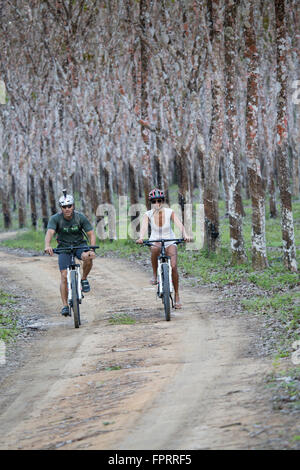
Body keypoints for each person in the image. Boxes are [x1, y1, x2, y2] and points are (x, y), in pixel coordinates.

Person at [136, 188, 191, 309]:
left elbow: (178, 223)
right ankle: (155, 274)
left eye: (159, 201)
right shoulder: (148, 214)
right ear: (151, 202)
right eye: (154, 201)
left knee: (174, 266)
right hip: (155, 239)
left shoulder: (169, 212)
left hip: (169, 240)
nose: (157, 204)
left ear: (163, 201)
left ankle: (176, 295)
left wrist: (185, 234)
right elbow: (144, 227)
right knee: (155, 249)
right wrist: (141, 237)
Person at [45, 190, 96, 316]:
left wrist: (91, 249)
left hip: (79, 245)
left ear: (73, 206)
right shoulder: (56, 219)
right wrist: (47, 245)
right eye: (64, 207)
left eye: (69, 206)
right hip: (64, 248)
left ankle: (83, 279)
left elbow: (91, 234)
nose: (67, 209)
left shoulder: (80, 217)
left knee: (87, 257)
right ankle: (65, 306)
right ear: (61, 207)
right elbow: (50, 232)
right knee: (63, 276)